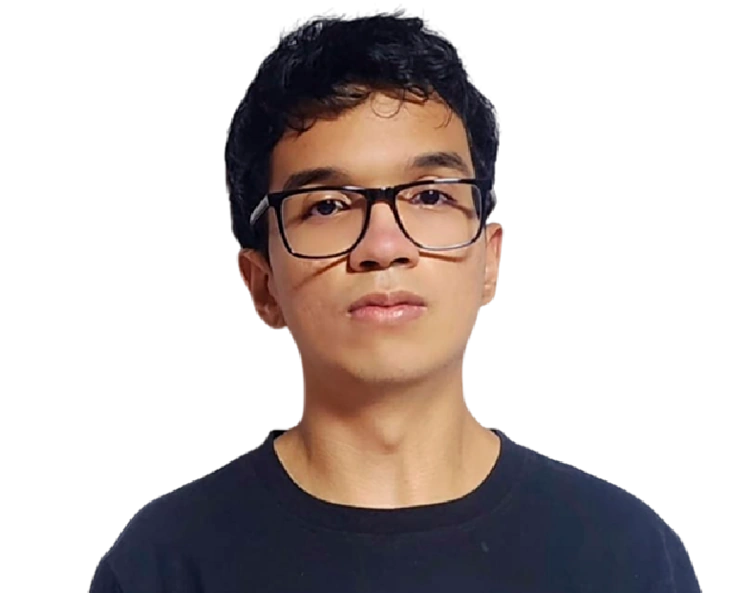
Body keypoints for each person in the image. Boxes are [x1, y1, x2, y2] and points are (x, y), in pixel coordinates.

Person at [90, 9, 701, 592]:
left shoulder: (620, 554)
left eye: (430, 196)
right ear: (261, 285)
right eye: (327, 205)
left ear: (491, 260)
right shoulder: (165, 565)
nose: (384, 246)